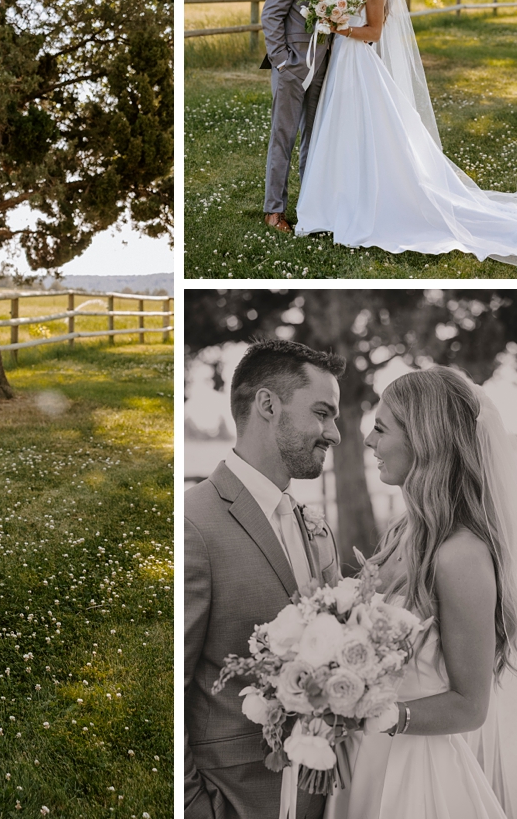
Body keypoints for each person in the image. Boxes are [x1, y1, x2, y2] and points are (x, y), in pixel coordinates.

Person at [329, 367, 517, 819]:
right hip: (363, 759)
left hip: (417, 774)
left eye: (381, 429)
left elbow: (470, 705)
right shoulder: (405, 532)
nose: (367, 442)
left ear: (425, 438)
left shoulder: (461, 553)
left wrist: (379, 716)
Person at [292, 0, 517, 266]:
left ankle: (367, 203)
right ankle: (334, 202)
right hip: (343, 63)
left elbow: (374, 32)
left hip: (358, 61)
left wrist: (338, 27)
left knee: (360, 127)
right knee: (341, 129)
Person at [184, 339, 345, 819]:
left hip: (319, 796)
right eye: (322, 413)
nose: (333, 433)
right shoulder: (195, 523)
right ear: (268, 405)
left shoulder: (312, 523)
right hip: (234, 798)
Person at [260, 0, 350, 235]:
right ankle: (274, 211)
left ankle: (310, 209)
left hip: (324, 69)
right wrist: (282, 61)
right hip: (293, 67)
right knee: (283, 137)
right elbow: (271, 16)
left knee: (316, 139)